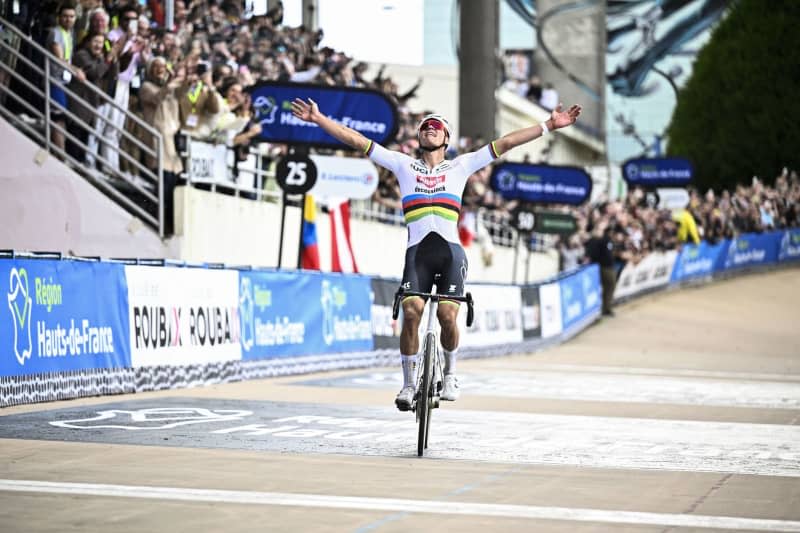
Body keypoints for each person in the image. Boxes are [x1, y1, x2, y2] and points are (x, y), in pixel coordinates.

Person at [291, 97, 582, 410]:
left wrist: (549, 126)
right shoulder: (402, 164)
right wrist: (320, 120)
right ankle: (406, 384)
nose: (429, 129)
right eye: (424, 127)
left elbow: (507, 141)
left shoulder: (461, 165)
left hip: (450, 253)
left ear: (447, 138)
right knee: (412, 312)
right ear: (418, 137)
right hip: (417, 253)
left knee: (446, 315)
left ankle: (452, 373)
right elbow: (358, 141)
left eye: (436, 127)